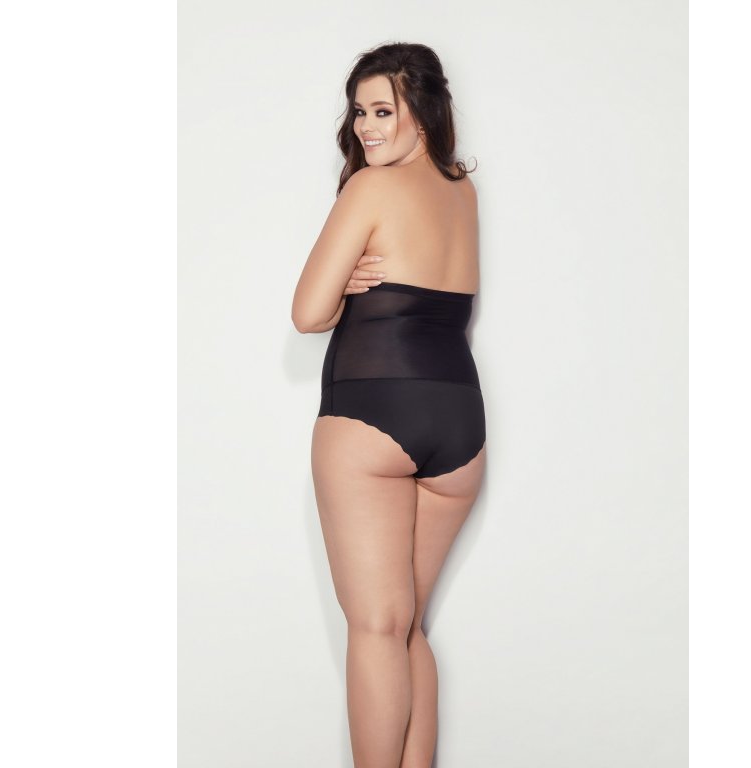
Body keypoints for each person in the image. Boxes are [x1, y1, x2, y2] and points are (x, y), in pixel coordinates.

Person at [292, 42, 487, 768]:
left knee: (377, 627)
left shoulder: (370, 190)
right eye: (359, 112)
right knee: (407, 629)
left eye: (383, 111)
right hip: (459, 425)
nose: (366, 128)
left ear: (423, 113)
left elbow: (307, 314)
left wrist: (341, 286)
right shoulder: (462, 192)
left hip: (371, 414)